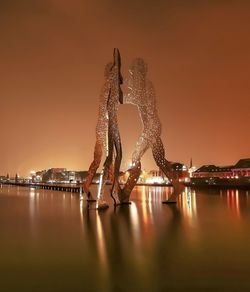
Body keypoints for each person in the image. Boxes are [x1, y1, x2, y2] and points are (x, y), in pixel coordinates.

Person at [119, 58, 183, 203]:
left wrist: (118, 90)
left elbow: (130, 98)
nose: (132, 75)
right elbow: (132, 92)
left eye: (133, 72)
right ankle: (178, 186)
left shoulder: (145, 86)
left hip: (151, 127)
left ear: (140, 71)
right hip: (154, 126)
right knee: (161, 162)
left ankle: (126, 193)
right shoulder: (143, 85)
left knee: (135, 157)